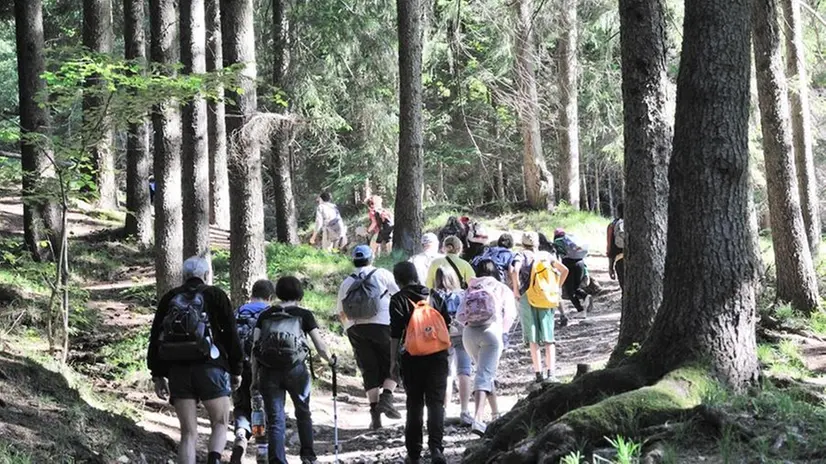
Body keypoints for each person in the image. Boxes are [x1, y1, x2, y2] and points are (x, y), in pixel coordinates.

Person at [147, 256, 243, 464]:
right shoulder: (216, 295)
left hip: (178, 370)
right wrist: (237, 368)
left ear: (184, 275)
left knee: (188, 434)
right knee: (219, 422)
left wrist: (157, 374)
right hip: (211, 367)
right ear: (206, 275)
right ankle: (214, 460)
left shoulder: (170, 297)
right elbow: (231, 335)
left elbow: (156, 336)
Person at [251, 276, 334, 464]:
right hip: (296, 370)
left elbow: (254, 348)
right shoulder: (304, 315)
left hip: (268, 371)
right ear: (299, 293)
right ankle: (308, 456)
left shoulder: (265, 315)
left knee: (275, 418)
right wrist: (330, 360)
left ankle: (277, 459)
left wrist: (254, 377)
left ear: (277, 292)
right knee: (303, 412)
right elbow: (320, 346)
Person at [389, 262, 450, 464]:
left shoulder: (398, 299)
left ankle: (414, 453)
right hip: (438, 356)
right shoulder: (434, 295)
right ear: (416, 275)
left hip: (412, 358)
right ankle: (436, 449)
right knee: (436, 404)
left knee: (414, 404)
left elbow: (395, 334)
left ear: (397, 280)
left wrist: (393, 362)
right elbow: (446, 323)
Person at [336, 245, 401, 429]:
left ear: (353, 260)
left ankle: (375, 417)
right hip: (383, 325)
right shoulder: (382, 274)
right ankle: (387, 397)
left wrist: (350, 328)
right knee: (394, 362)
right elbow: (398, 296)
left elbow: (340, 311)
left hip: (356, 329)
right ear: (371, 258)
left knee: (368, 369)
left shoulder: (346, 282)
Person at [457, 260, 516, 436]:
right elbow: (511, 315)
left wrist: (471, 322)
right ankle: (478, 419)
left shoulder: (471, 288)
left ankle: (496, 414)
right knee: (484, 375)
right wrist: (503, 332)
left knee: (485, 373)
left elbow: (460, 315)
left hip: (469, 334)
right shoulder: (501, 288)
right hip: (491, 332)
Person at [511, 233, 569, 383]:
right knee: (549, 337)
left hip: (527, 298)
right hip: (546, 297)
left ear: (522, 243)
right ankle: (551, 373)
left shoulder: (521, 255)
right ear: (537, 243)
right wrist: (556, 287)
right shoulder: (546, 256)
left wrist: (516, 290)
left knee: (533, 339)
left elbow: (515, 270)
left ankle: (538, 374)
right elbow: (564, 270)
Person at [230, 279, 277, 464]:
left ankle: (241, 434)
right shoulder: (270, 313)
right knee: (259, 405)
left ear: (252, 293)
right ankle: (262, 448)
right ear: (270, 297)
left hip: (238, 367)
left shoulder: (238, 312)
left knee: (241, 405)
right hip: (262, 367)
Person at [430, 266, 473, 426]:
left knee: (446, 374)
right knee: (464, 371)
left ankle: (443, 410)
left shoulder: (433, 296)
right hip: (462, 334)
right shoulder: (462, 294)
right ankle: (464, 411)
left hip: (442, 337)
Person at [552, 228, 596, 313]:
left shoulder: (557, 242)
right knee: (576, 287)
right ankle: (586, 296)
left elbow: (556, 257)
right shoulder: (571, 240)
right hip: (580, 263)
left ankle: (580, 309)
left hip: (568, 265)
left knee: (570, 291)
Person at [607, 203, 626, 291]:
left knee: (625, 288)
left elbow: (610, 247)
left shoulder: (612, 225)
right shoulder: (639, 223)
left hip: (620, 259)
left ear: (618, 212)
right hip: (638, 260)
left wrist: (610, 267)